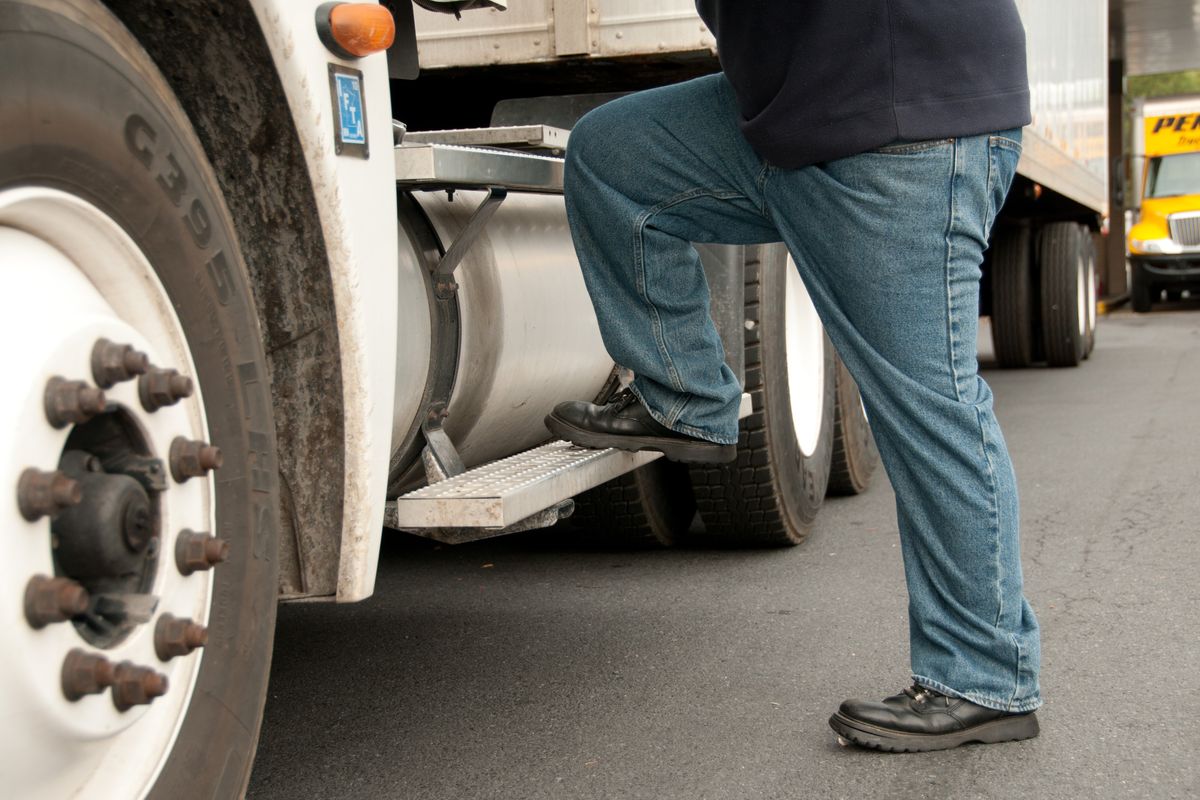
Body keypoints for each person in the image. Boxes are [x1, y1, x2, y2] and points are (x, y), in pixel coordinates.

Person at [544, 0, 1042, 752]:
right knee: (615, 153)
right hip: (793, 107)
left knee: (928, 408)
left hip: (897, 115)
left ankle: (985, 677)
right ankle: (686, 396)